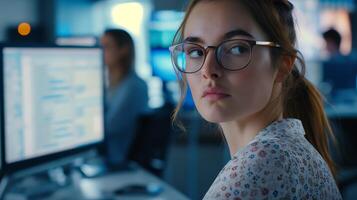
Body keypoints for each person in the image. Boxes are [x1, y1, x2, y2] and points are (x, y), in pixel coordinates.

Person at [169, 0, 342, 199]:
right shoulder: (284, 151)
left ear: (283, 65)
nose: (208, 70)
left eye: (237, 49)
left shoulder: (265, 162)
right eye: (196, 52)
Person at [101, 29, 149, 166]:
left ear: (124, 50)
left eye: (106, 47)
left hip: (117, 160)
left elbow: (109, 127)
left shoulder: (133, 86)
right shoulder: (113, 85)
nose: (100, 51)